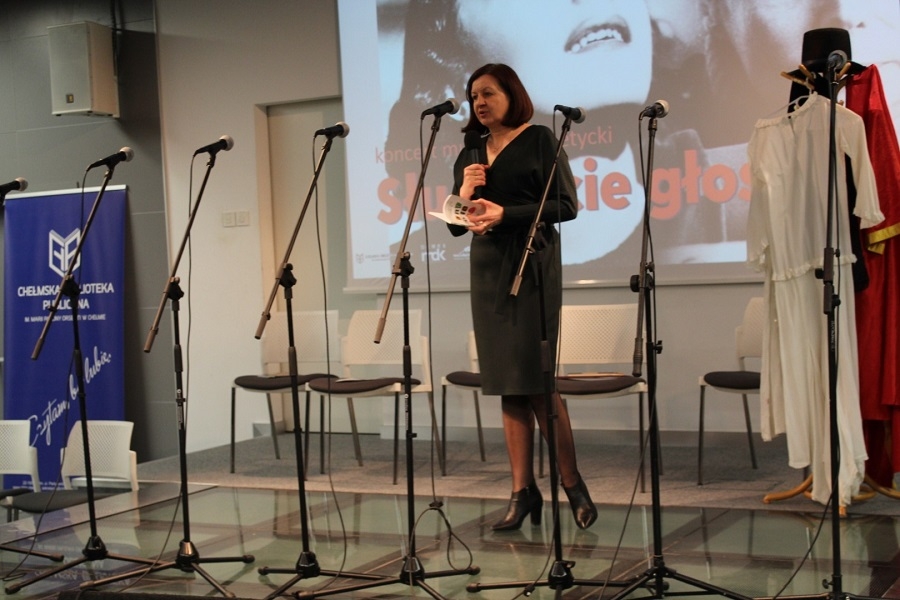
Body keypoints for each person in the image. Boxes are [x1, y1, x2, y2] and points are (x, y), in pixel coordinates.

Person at [448, 63, 596, 531]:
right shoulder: (471, 150)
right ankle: (522, 491)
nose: (480, 102)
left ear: (512, 94)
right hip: (488, 268)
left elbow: (566, 206)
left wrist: (505, 214)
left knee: (537, 381)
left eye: (488, 93)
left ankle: (572, 482)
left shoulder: (539, 140)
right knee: (506, 383)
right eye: (474, 96)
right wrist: (463, 193)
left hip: (531, 264)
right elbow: (456, 225)